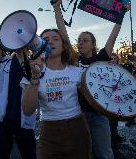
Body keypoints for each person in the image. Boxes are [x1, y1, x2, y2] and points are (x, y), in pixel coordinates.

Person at [52, 0, 129, 159]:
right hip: (78, 115)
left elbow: (113, 36)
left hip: (99, 115)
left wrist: (121, 14)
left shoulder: (101, 58)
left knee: (105, 153)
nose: (80, 43)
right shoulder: (73, 59)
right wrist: (57, 8)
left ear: (93, 45)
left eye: (85, 40)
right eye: (79, 40)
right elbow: (63, 34)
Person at [21, 28, 92, 159]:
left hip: (77, 129)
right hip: (49, 132)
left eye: (55, 39)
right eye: (45, 40)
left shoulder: (76, 71)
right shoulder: (31, 72)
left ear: (64, 46)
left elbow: (93, 96)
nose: (51, 42)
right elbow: (27, 110)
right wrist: (35, 78)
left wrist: (107, 68)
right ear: (39, 46)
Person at [0, 48, 36, 159]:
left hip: (23, 115)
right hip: (3, 117)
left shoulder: (33, 61)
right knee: (1, 152)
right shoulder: (3, 61)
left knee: (29, 152)